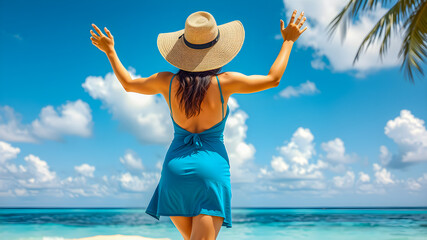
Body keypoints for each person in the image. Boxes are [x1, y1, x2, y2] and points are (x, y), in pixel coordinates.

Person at [90, 9, 307, 240]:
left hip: (174, 172)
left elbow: (129, 84)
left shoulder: (168, 82)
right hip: (210, 170)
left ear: (183, 50)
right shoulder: (225, 82)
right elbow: (273, 79)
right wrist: (289, 41)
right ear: (217, 50)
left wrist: (110, 51)